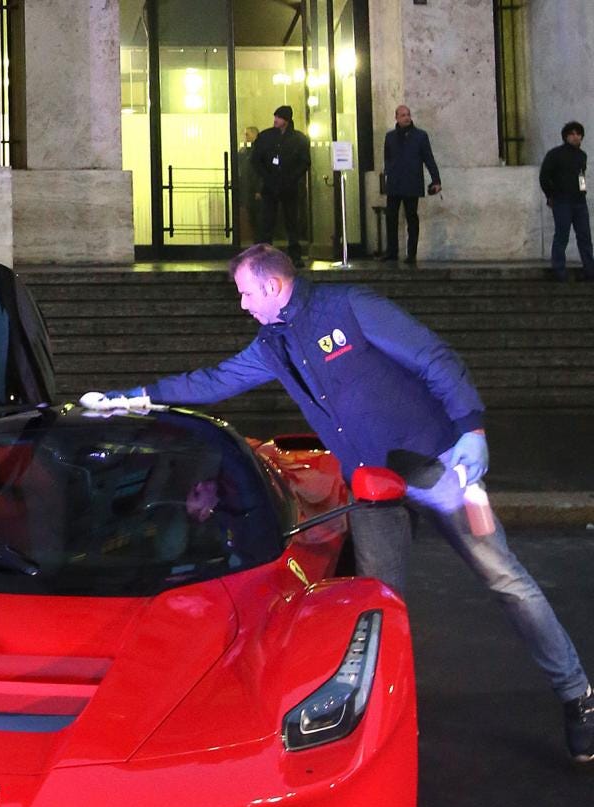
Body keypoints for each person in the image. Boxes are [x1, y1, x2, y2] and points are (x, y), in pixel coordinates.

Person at [84, 243, 593, 763]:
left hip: (437, 465)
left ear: (272, 287)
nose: (240, 304)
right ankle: (385, 732)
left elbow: (433, 356)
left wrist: (472, 428)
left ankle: (578, 694)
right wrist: (133, 397)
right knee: (379, 612)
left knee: (504, 578)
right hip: (370, 483)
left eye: (243, 293)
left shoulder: (350, 306)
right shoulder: (272, 344)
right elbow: (214, 381)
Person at [251, 105, 311, 267]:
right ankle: (264, 254)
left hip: (288, 186)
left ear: (286, 120)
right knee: (268, 221)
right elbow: (256, 160)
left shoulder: (297, 139)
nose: (275, 120)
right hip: (272, 185)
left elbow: (304, 162)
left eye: (279, 117)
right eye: (275, 117)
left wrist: (290, 178)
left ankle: (294, 254)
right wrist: (268, 177)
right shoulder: (267, 137)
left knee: (291, 220)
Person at [381, 105, 442, 264]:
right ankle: (392, 252)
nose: (406, 118)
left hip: (411, 183)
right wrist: (388, 175)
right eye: (402, 115)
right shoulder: (390, 137)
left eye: (408, 114)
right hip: (394, 183)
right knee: (391, 218)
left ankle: (411, 254)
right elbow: (387, 159)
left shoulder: (420, 136)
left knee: (411, 218)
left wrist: (436, 180)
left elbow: (429, 159)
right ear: (396, 118)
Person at [538, 120, 593, 283]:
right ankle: (559, 271)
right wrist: (550, 195)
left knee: (585, 236)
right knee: (562, 235)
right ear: (566, 136)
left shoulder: (582, 156)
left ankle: (590, 270)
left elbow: (581, 175)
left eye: (578, 134)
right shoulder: (555, 154)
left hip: (579, 201)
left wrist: (583, 190)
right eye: (572, 134)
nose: (576, 137)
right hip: (562, 201)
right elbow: (544, 176)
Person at [236, 127, 262, 242]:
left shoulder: (259, 150)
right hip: (247, 188)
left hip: (255, 189)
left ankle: (259, 241)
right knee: (251, 215)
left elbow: (260, 172)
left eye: (248, 134)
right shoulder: (245, 151)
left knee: (258, 217)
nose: (245, 137)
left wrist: (259, 189)